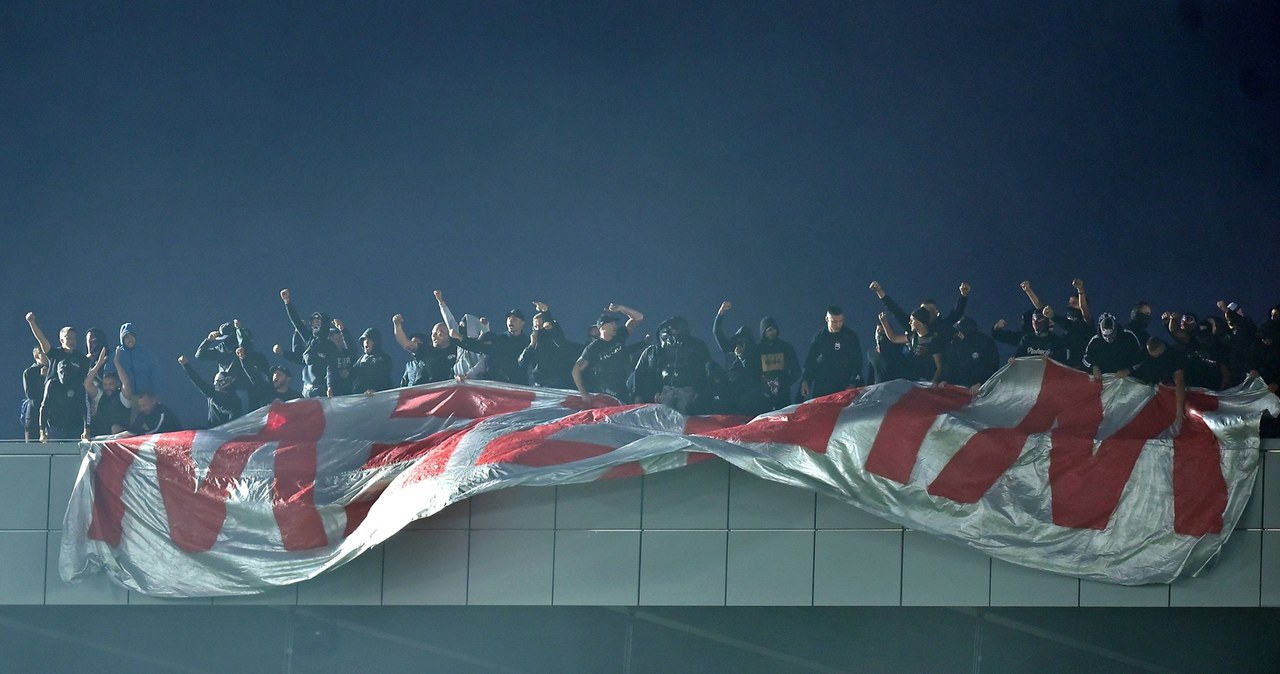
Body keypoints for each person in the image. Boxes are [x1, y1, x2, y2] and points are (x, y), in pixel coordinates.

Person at [632, 316, 712, 413]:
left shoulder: (697, 345)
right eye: (671, 327)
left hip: (687, 389)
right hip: (667, 387)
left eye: (675, 327)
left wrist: (699, 390)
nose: (672, 330)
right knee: (663, 417)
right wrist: (657, 390)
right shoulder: (663, 347)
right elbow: (657, 368)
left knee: (683, 418)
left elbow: (704, 369)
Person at [573, 303, 644, 403]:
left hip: (627, 387)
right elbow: (576, 370)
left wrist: (621, 308)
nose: (615, 325)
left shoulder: (619, 335)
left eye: (615, 323)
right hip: (607, 393)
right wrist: (584, 394)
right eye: (611, 323)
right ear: (602, 327)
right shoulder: (593, 348)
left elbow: (639, 317)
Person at [280, 289, 339, 397]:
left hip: (322, 391)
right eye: (313, 321)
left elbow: (331, 368)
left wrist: (330, 386)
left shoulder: (330, 347)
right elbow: (296, 322)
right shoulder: (310, 339)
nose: (315, 324)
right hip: (306, 391)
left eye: (318, 321)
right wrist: (287, 302)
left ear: (324, 324)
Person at [801, 305, 863, 398]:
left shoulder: (850, 336)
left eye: (840, 321)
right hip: (823, 385)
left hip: (845, 384)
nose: (838, 324)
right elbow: (810, 361)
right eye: (834, 321)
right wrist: (805, 381)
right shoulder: (820, 337)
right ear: (827, 319)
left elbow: (858, 361)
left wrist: (853, 382)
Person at [455, 308, 530, 384]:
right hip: (497, 384)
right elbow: (479, 347)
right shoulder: (499, 339)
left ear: (522, 323)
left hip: (519, 385)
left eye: (514, 319)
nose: (510, 321)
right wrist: (460, 338)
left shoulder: (528, 342)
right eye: (509, 319)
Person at [711, 301, 761, 415]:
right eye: (739, 340)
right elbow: (717, 332)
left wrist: (742, 356)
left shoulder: (755, 352)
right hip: (730, 386)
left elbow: (753, 369)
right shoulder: (730, 348)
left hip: (749, 389)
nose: (741, 344)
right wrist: (720, 314)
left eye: (745, 341)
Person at [520, 304, 581, 390]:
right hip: (539, 387)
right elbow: (522, 363)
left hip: (558, 386)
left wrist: (546, 312)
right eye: (535, 327)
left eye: (540, 326)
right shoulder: (533, 342)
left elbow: (559, 337)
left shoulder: (555, 339)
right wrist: (531, 345)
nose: (538, 329)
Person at [878, 308, 944, 385]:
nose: (910, 323)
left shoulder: (933, 340)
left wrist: (934, 381)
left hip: (927, 381)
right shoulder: (913, 337)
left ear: (920, 321)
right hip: (914, 381)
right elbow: (894, 338)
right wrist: (884, 322)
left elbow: (939, 366)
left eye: (912, 320)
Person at [1131, 338, 1188, 424]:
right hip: (1153, 389)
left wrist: (1179, 411)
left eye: (1157, 355)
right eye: (1152, 355)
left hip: (1170, 389)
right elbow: (1139, 365)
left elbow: (1179, 383)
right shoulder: (1145, 354)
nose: (1155, 357)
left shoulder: (1174, 357)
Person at [26, 312, 90, 387]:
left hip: (71, 394)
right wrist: (31, 322)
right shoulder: (54, 353)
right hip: (54, 393)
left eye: (74, 338)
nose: (72, 341)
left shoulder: (81, 358)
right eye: (68, 338)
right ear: (62, 340)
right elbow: (41, 339)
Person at [392, 312, 458, 386]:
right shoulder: (425, 349)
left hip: (447, 393)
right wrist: (397, 325)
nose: (434, 336)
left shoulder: (457, 351)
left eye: (440, 333)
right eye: (433, 333)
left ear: (448, 336)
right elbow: (406, 344)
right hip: (424, 394)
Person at [434, 290, 488, 380]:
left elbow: (483, 363)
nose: (461, 333)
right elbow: (449, 320)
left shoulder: (479, 346)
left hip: (475, 383)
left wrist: (467, 376)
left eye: (464, 329)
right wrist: (441, 302)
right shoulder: (460, 343)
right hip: (459, 382)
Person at [178, 354, 242, 428]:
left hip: (226, 434)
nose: (217, 384)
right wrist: (186, 365)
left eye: (220, 382)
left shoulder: (235, 400)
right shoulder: (212, 392)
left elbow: (234, 421)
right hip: (212, 431)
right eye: (217, 382)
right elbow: (197, 380)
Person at [940, 317, 1000, 390]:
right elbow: (950, 362)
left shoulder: (985, 343)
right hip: (959, 385)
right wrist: (945, 379)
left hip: (979, 388)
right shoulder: (956, 342)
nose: (958, 334)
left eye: (961, 332)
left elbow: (991, 367)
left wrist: (980, 383)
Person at [39, 358, 90, 441]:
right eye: (61, 372)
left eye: (67, 371)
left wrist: (86, 429)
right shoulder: (52, 384)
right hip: (55, 427)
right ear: (57, 372)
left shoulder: (78, 385)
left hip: (75, 428)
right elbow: (44, 407)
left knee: (75, 453)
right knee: (54, 453)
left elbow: (85, 407)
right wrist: (42, 431)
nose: (64, 375)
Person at [85, 350, 131, 437]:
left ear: (117, 384)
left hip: (117, 438)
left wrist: (116, 363)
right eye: (105, 384)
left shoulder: (123, 397)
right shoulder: (100, 395)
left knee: (115, 427)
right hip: (100, 434)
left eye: (111, 384)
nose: (108, 387)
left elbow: (126, 384)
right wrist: (99, 364)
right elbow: (87, 384)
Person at [1084, 313, 1144, 379]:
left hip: (1128, 380)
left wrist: (1129, 370)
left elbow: (1141, 359)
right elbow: (1085, 359)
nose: (1108, 338)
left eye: (1111, 335)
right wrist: (1094, 367)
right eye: (1105, 336)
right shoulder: (1095, 341)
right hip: (1104, 380)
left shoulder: (1129, 337)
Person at [116, 322, 161, 397]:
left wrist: (156, 393)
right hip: (125, 398)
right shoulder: (117, 354)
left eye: (132, 336)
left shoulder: (145, 353)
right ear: (122, 340)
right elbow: (109, 375)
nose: (130, 339)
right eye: (126, 337)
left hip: (145, 396)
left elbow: (156, 373)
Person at [351, 327, 394, 394]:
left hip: (379, 398)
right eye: (364, 339)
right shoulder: (361, 359)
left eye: (369, 339)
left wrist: (375, 390)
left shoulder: (384, 358)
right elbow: (352, 375)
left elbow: (384, 379)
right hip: (362, 398)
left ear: (376, 341)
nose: (366, 342)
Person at [21, 348, 48, 441]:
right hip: (34, 412)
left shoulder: (53, 370)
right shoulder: (29, 372)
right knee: (33, 444)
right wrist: (42, 378)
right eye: (44, 355)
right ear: (37, 356)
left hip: (50, 412)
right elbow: (30, 394)